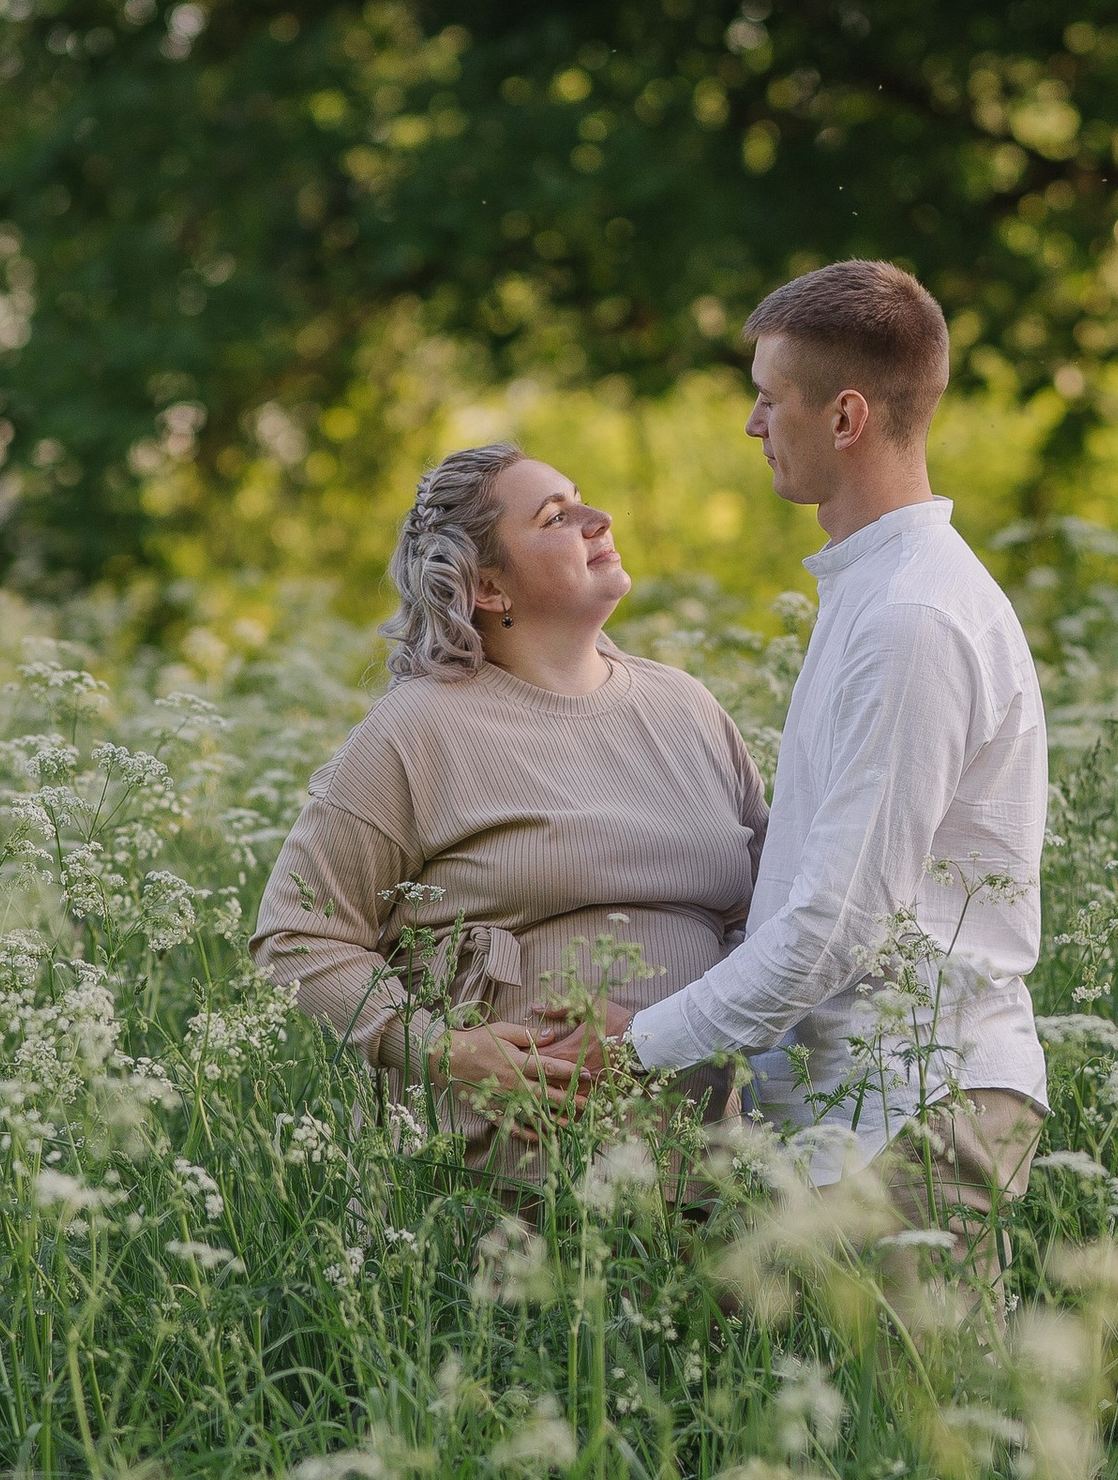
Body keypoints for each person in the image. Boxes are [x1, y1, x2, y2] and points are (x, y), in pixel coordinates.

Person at [548, 259, 1048, 1291]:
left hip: (910, 1115)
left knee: (925, 1447)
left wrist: (638, 1045)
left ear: (846, 416)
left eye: (769, 398)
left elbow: (837, 924)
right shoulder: (873, 591)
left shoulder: (912, 617)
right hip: (844, 1118)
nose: (750, 423)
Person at [250, 444, 766, 1171]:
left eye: (581, 498)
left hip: (708, 1172)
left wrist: (680, 1035)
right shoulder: (420, 727)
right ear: (489, 588)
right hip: (508, 1180)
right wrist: (437, 1051)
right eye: (557, 516)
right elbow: (294, 934)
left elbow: (772, 922)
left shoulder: (686, 707)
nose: (598, 519)